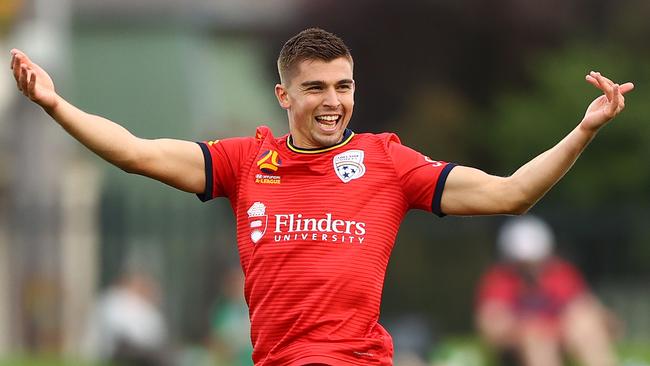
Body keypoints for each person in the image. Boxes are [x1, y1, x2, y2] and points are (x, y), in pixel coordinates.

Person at [9, 27, 633, 365]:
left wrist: (583, 130)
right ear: (284, 96)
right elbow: (136, 151)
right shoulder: (245, 162)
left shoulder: (387, 162)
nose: (332, 101)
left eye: (343, 85)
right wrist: (55, 103)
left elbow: (510, 194)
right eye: (314, 88)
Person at [475, 215, 619, 366]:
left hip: (561, 338)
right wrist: (533, 330)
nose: (530, 269)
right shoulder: (500, 280)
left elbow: (588, 309)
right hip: (524, 347)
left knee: (585, 325)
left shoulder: (562, 274)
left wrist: (598, 320)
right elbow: (493, 327)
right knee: (538, 342)